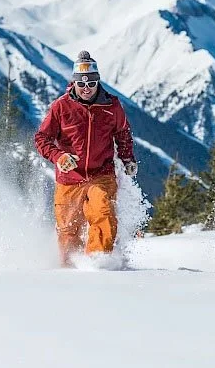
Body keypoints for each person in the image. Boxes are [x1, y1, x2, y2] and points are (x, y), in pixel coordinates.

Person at [34, 51, 138, 267]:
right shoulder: (61, 107)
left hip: (101, 173)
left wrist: (128, 159)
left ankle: (97, 264)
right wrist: (59, 156)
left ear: (97, 80)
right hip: (69, 178)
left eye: (91, 82)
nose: (86, 87)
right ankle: (69, 268)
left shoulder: (112, 105)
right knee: (68, 228)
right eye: (81, 83)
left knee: (103, 214)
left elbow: (123, 134)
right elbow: (42, 138)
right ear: (74, 82)